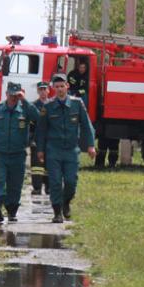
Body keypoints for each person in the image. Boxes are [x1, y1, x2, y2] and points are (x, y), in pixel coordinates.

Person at [0, 82, 41, 223]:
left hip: (18, 154)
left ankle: (12, 211)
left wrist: (25, 101)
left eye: (16, 95)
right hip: (0, 153)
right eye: (11, 95)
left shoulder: (26, 109)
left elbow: (38, 118)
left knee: (15, 184)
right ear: (6, 94)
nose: (13, 98)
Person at [37, 75, 96, 223]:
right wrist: (40, 150)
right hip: (53, 150)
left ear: (67, 86)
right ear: (53, 88)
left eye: (62, 86)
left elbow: (86, 125)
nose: (59, 89)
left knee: (71, 182)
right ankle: (57, 213)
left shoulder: (77, 104)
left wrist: (90, 145)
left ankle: (66, 203)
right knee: (55, 182)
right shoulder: (48, 107)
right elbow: (41, 130)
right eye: (56, 87)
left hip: (71, 150)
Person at [30, 81, 52, 195]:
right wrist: (31, 139)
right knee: (36, 166)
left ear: (48, 90)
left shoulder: (53, 104)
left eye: (45, 89)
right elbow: (29, 125)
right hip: (37, 139)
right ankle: (37, 188)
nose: (43, 91)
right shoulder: (33, 105)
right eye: (41, 89)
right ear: (38, 91)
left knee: (49, 164)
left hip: (50, 139)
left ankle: (48, 187)